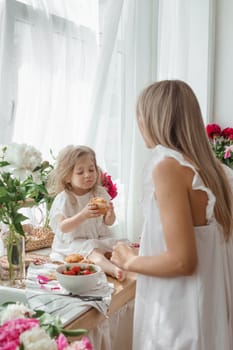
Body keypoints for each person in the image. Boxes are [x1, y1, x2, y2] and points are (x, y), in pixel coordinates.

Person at [111, 80, 233, 349]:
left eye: (139, 116)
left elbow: (182, 261)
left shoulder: (167, 166)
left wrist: (129, 260)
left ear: (153, 119)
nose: (138, 123)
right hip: (207, 313)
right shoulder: (216, 171)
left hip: (178, 318)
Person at [49, 145, 127, 281]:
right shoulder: (65, 198)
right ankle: (112, 270)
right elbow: (63, 227)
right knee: (93, 251)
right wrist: (83, 215)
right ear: (67, 177)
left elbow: (108, 222)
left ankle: (123, 263)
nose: (88, 175)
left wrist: (110, 214)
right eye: (80, 172)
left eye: (91, 169)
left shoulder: (99, 192)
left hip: (98, 237)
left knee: (121, 245)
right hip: (75, 242)